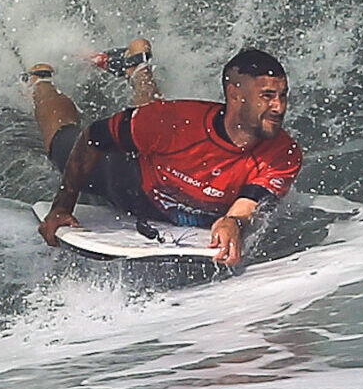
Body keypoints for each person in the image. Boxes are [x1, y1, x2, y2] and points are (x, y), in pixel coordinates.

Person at [29, 40, 303, 267]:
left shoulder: (283, 153)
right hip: (128, 181)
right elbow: (94, 137)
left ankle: (136, 68)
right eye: (267, 96)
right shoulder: (175, 122)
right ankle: (40, 83)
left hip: (163, 154)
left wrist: (233, 223)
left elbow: (249, 204)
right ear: (234, 94)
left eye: (283, 95)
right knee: (61, 140)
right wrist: (63, 206)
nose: (279, 107)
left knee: (151, 122)